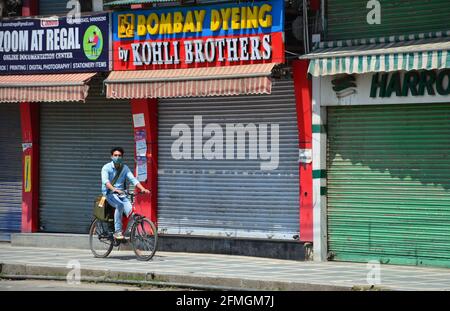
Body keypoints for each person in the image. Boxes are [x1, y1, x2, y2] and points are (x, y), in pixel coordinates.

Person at [101, 147, 150, 239]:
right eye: (115, 155)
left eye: (119, 156)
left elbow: (133, 179)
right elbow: (106, 181)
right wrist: (114, 189)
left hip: (121, 194)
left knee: (131, 211)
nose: (117, 157)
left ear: (122, 157)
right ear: (111, 156)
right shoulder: (106, 168)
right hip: (109, 193)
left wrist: (143, 188)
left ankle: (127, 232)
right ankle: (117, 232)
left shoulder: (124, 168)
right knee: (119, 205)